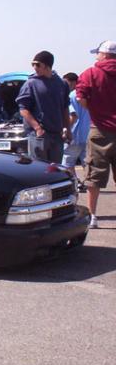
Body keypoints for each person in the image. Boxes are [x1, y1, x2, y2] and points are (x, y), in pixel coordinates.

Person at [76, 40, 116, 229]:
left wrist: (94, 110)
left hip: (100, 129)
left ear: (104, 55)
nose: (97, 57)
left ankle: (93, 216)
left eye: (98, 53)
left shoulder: (91, 73)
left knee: (94, 175)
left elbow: (81, 97)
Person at [15, 50, 70, 163]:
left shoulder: (61, 83)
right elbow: (23, 109)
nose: (34, 67)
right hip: (39, 135)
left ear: (47, 65)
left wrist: (68, 129)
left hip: (57, 135)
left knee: (55, 168)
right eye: (33, 64)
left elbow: (65, 108)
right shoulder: (30, 84)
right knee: (39, 167)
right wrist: (37, 128)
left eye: (38, 64)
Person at [61, 73, 90, 188]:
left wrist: (66, 130)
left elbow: (73, 116)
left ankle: (74, 184)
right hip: (87, 133)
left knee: (67, 161)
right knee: (87, 162)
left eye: (65, 82)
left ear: (73, 82)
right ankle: (90, 184)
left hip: (74, 134)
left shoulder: (71, 96)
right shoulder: (86, 95)